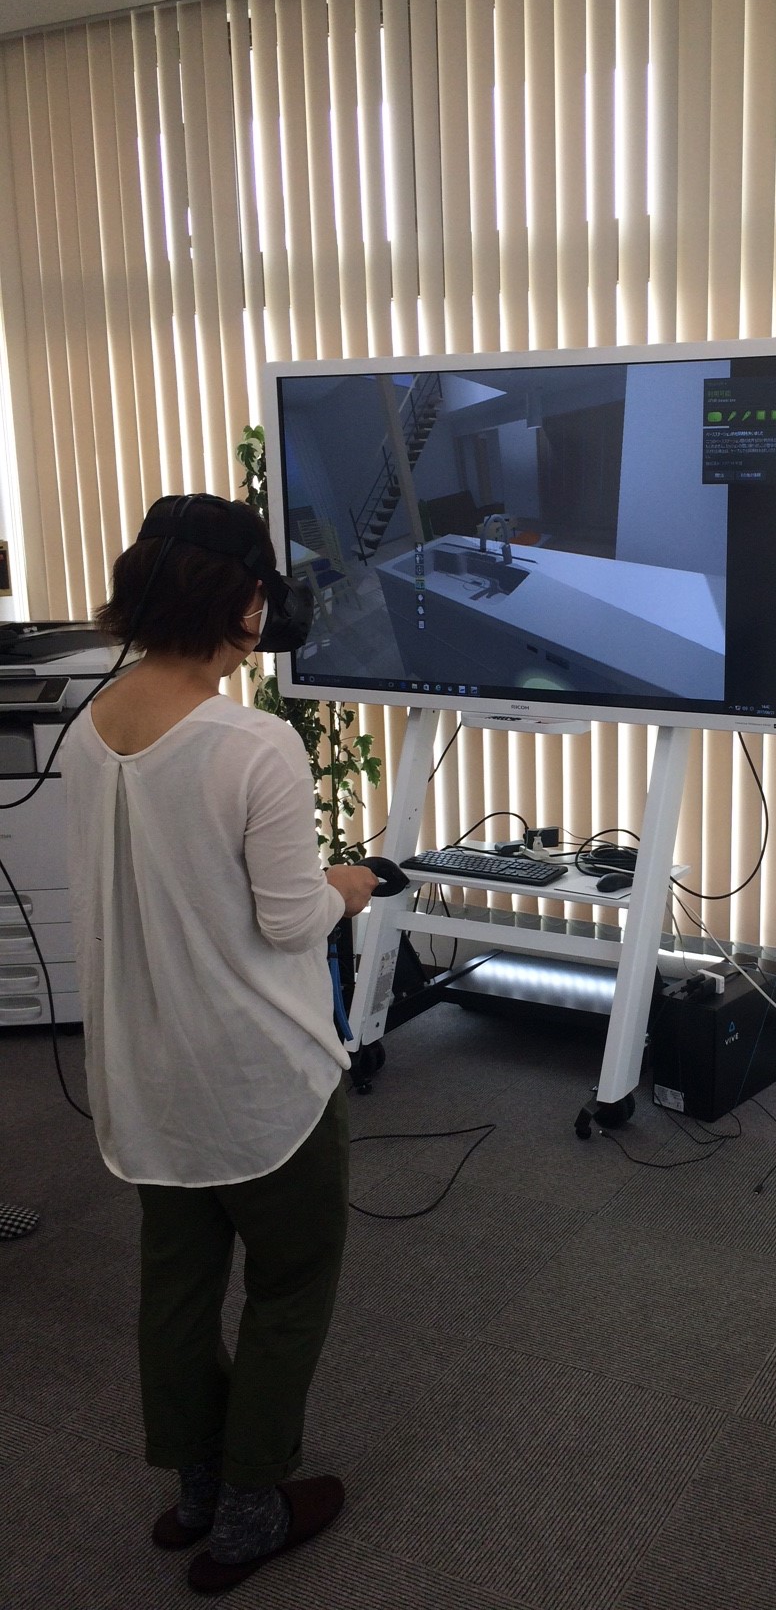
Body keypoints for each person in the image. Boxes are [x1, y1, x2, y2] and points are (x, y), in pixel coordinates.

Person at [60, 493, 378, 1595]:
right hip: (259, 1082)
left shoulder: (90, 729)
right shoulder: (254, 743)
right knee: (292, 1283)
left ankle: (197, 1484)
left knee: (179, 1286)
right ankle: (251, 1506)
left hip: (144, 1079)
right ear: (241, 601)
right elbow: (291, 921)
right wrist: (350, 884)